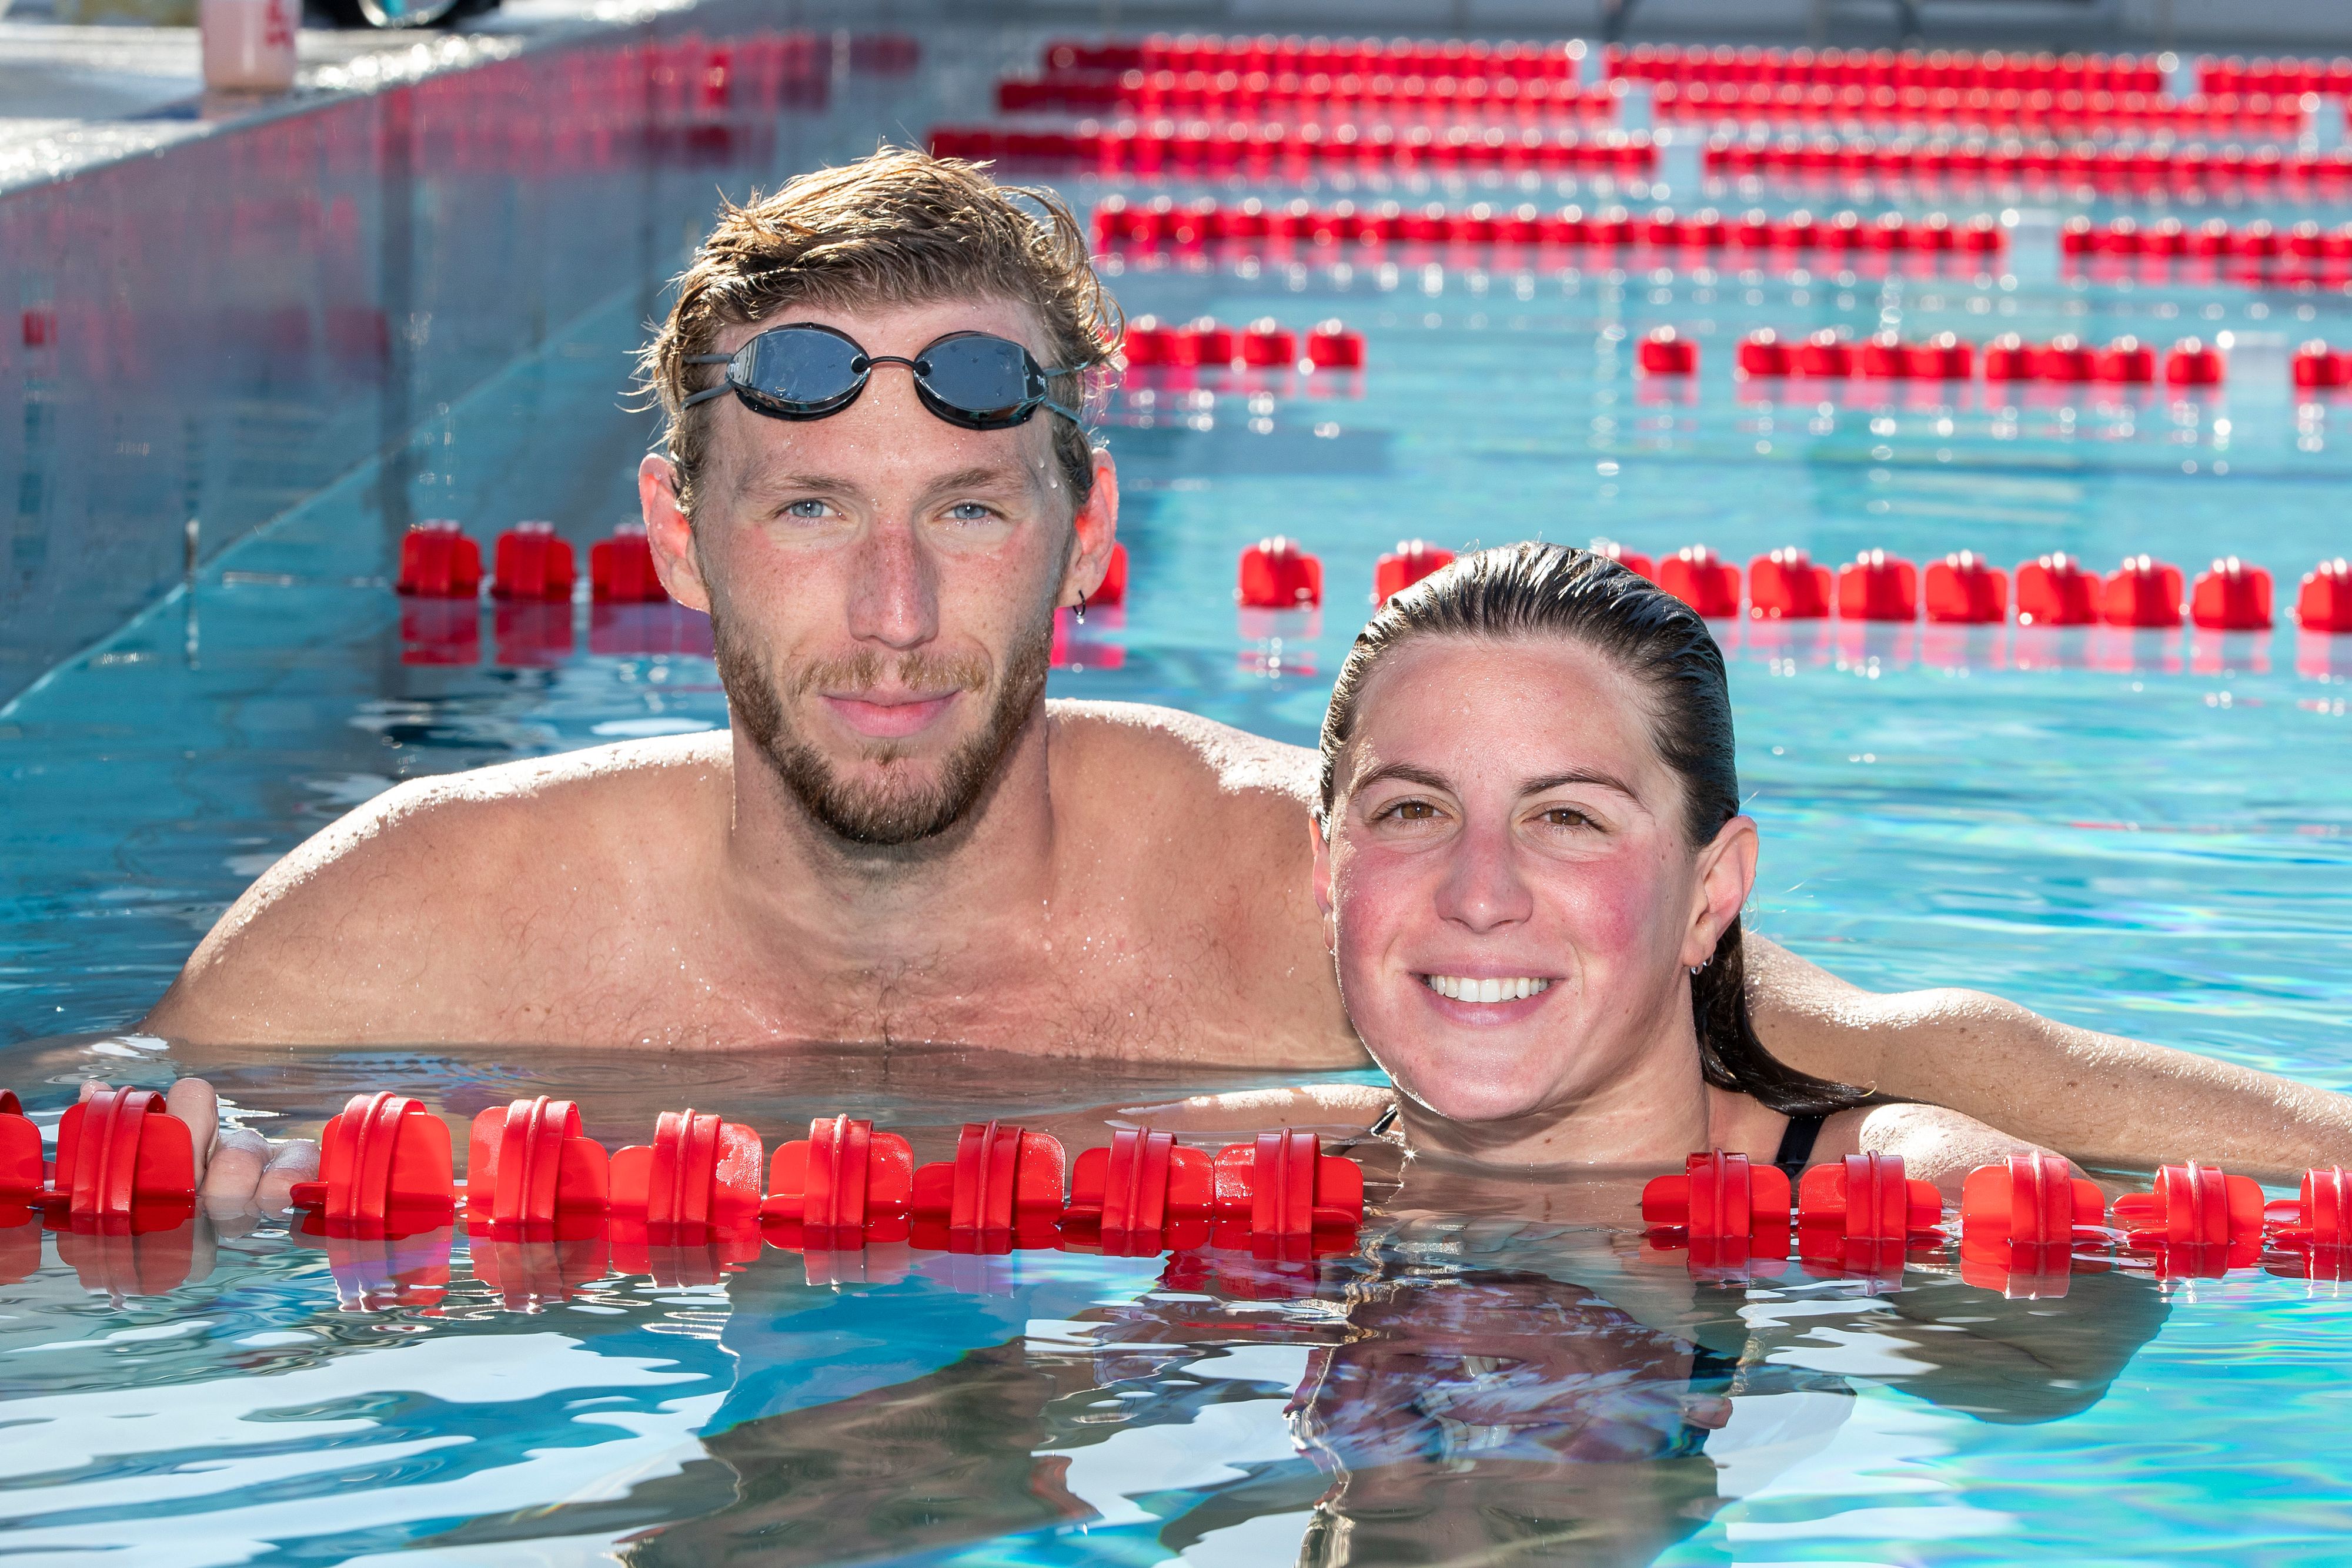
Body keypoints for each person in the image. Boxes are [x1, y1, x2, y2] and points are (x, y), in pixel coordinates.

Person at [130, 149, 2352, 1211]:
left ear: (1095, 544)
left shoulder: (1323, 909)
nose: (894, 613)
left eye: (972, 510)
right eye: (810, 509)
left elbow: (1884, 1042)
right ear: (668, 539)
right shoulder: (389, 929)